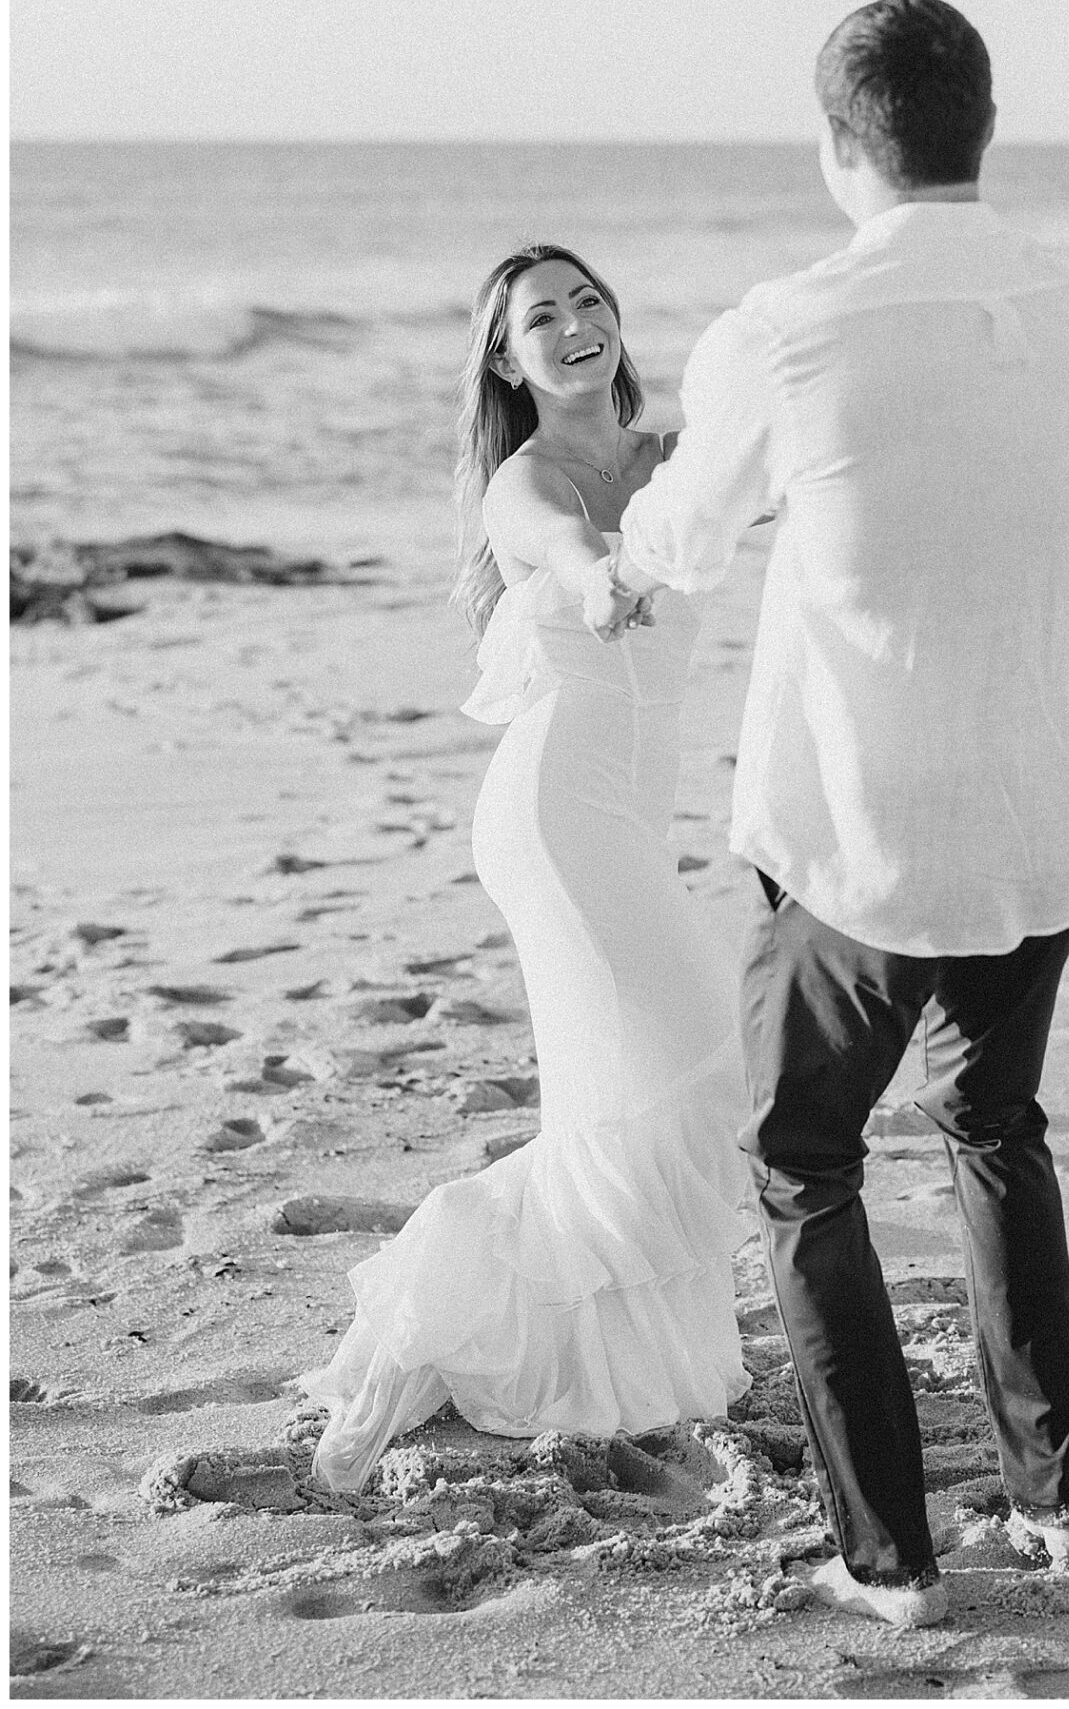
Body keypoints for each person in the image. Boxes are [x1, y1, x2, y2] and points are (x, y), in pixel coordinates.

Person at [585, 0, 1069, 1628]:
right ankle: (1060, 1501)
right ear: (982, 130)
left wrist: (583, 541)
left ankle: (885, 1553)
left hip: (859, 839)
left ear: (833, 144)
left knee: (799, 1162)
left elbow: (681, 539)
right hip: (1040, 814)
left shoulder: (785, 328)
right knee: (993, 1133)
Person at [302, 244, 751, 1493]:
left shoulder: (670, 462)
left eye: (588, 302)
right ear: (507, 358)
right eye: (539, 317)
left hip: (624, 819)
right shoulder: (526, 480)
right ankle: (449, 1324)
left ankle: (606, 1351)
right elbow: (557, 543)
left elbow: (789, 479)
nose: (572, 325)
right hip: (555, 819)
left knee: (638, 1090)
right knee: (697, 1063)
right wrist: (600, 571)